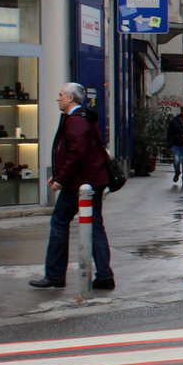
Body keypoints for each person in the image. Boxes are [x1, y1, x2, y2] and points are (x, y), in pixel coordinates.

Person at [31, 82, 114, 291]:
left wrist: (61, 178)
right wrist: (60, 175)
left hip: (80, 184)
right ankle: (104, 275)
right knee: (95, 227)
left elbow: (76, 153)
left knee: (59, 222)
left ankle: (55, 274)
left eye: (60, 95)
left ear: (70, 98)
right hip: (92, 180)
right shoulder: (85, 117)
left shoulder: (75, 121)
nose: (57, 98)